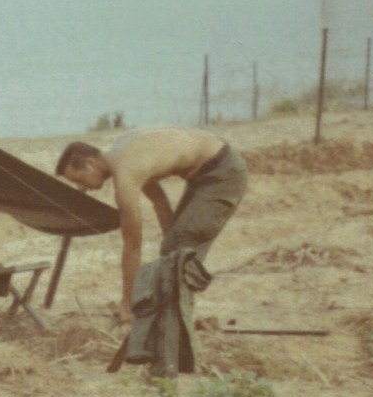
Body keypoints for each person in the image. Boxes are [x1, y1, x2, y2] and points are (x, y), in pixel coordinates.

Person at [56, 128, 247, 325]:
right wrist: (170, 243)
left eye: (78, 180)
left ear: (91, 163)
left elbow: (132, 247)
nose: (81, 188)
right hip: (206, 173)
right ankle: (178, 317)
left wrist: (127, 304)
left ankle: (177, 324)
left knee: (179, 251)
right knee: (175, 250)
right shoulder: (123, 155)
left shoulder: (126, 174)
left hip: (222, 174)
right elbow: (159, 201)